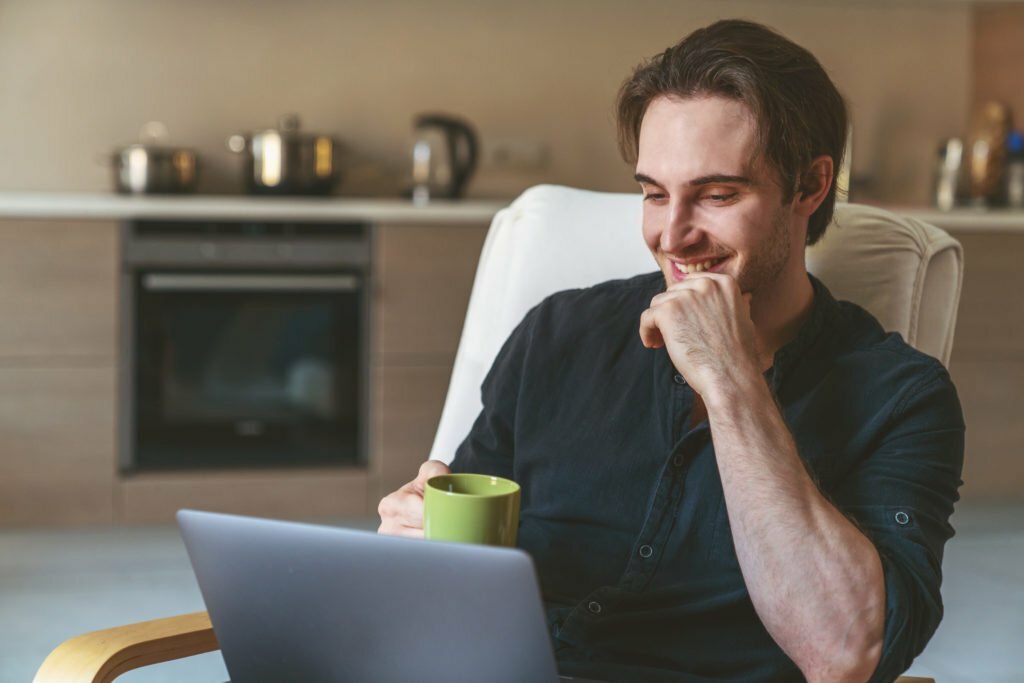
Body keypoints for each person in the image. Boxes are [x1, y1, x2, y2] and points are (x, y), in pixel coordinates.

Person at [378, 19, 964, 683]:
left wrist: (732, 380)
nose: (673, 235)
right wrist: (417, 544)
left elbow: (845, 651)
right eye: (655, 193)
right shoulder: (558, 334)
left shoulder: (903, 396)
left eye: (717, 194)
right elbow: (461, 564)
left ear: (810, 186)